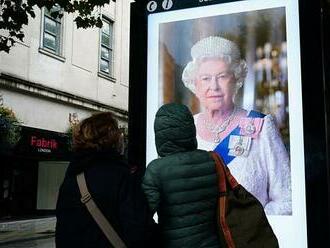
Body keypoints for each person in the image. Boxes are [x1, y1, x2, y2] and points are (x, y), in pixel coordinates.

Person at [181, 36, 291, 215]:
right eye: (206, 78)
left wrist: (249, 227)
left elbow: (287, 199)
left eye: (222, 77)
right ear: (196, 85)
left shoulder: (261, 126)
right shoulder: (185, 128)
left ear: (236, 81)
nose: (214, 86)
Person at [56, 112, 155, 247]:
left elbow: (63, 232)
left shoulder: (71, 178)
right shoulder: (121, 176)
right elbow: (139, 232)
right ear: (113, 140)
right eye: (119, 134)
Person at [142, 103, 220, 248]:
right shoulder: (212, 160)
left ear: (159, 134)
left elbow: (143, 216)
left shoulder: (156, 169)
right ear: (190, 128)